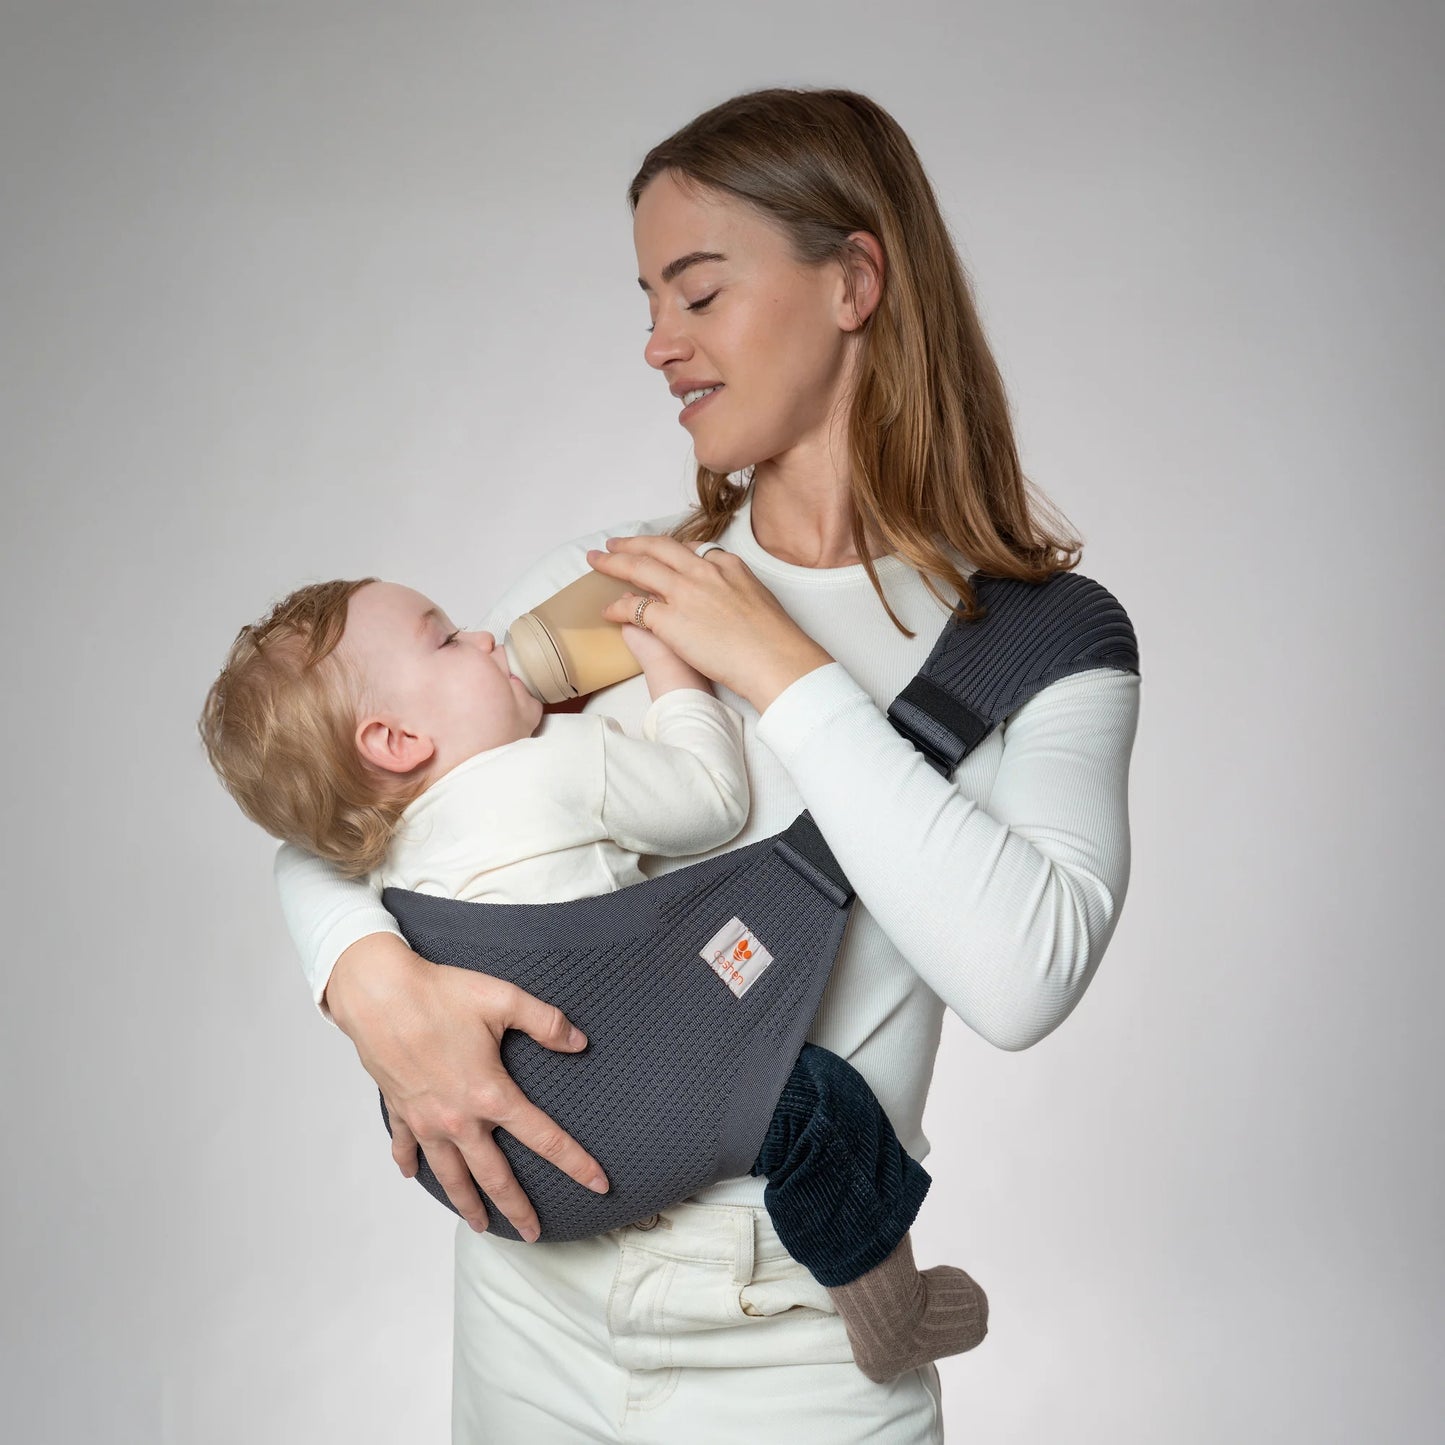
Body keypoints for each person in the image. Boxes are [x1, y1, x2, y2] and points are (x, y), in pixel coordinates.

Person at [273, 88, 1140, 1442]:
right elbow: (342, 814)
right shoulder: (603, 594)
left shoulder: (1042, 644)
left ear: (852, 279)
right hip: (530, 1310)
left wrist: (786, 675)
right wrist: (359, 975)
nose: (655, 344)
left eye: (696, 294)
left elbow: (1023, 975)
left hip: (797, 1342)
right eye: (646, 301)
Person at [200, 574, 989, 1383]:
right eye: (446, 638)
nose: (484, 636)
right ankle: (892, 1310)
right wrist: (669, 667)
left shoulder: (372, 858)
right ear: (395, 740)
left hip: (494, 1175)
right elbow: (712, 799)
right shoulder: (560, 765)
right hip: (626, 1113)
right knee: (819, 1107)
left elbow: (298, 864)